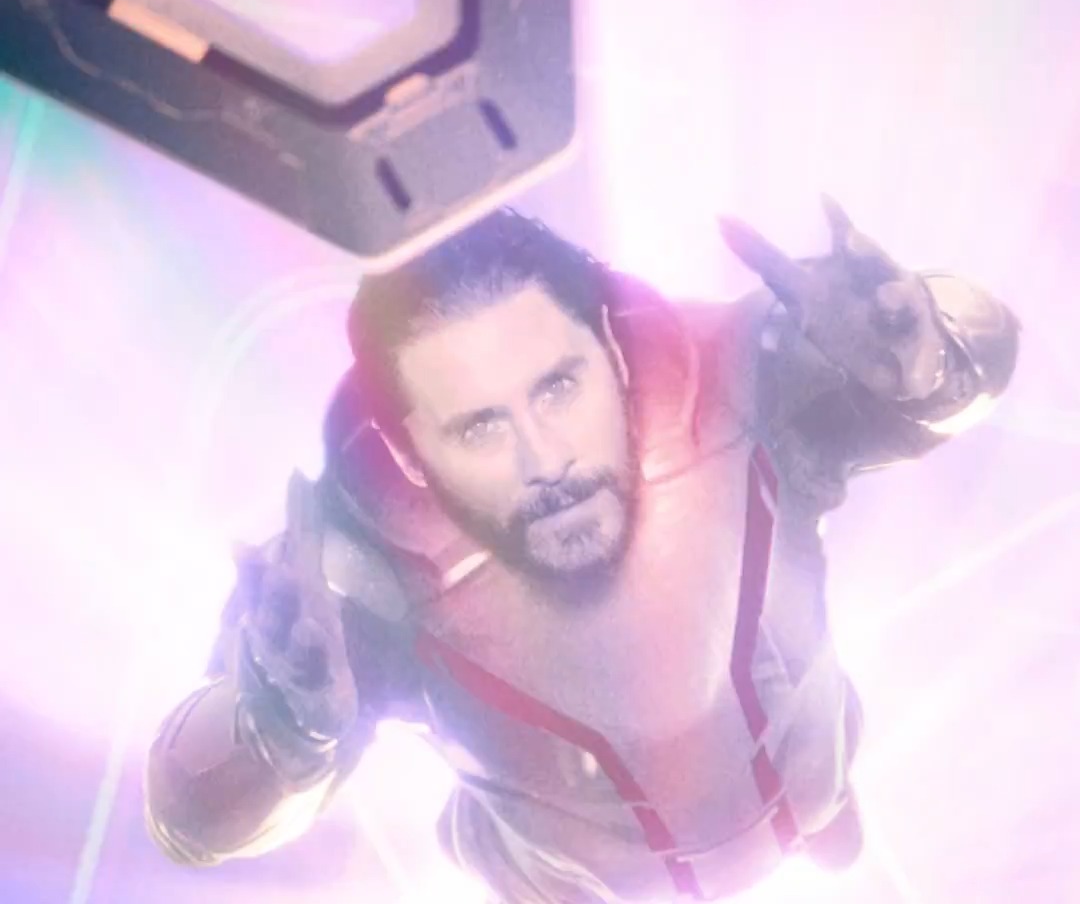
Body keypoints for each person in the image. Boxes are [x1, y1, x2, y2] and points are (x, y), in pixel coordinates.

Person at [144, 201, 1020, 902]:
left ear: (613, 350)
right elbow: (191, 820)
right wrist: (281, 740)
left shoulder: (745, 383)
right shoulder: (354, 581)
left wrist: (928, 363)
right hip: (566, 883)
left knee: (825, 808)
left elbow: (967, 361)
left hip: (811, 764)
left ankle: (824, 817)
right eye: (480, 428)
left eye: (558, 387)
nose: (546, 460)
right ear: (410, 453)